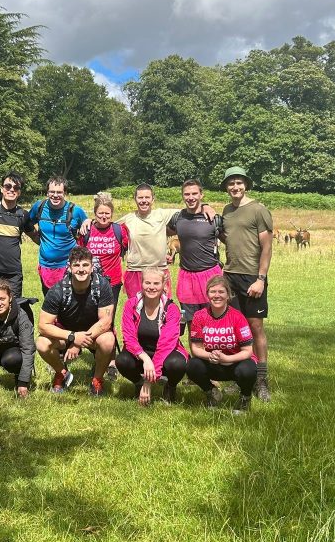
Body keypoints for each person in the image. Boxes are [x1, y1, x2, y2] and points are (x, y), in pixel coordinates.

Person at [219, 166, 273, 402]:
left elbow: (267, 247)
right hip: (231, 276)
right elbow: (228, 238)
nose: (235, 187)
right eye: (231, 184)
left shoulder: (259, 210)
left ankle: (261, 380)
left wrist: (260, 279)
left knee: (255, 328)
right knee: (235, 330)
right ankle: (241, 377)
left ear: (246, 185)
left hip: (252, 277)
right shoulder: (227, 211)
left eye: (239, 183)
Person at [36, 246, 117, 397]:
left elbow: (106, 322)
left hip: (94, 336)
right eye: (77, 265)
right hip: (66, 335)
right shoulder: (58, 290)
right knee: (41, 343)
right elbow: (43, 326)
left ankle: (97, 380)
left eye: (85, 265)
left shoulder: (102, 286)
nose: (81, 269)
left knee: (108, 340)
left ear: (92, 267)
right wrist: (72, 337)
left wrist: (78, 341)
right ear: (70, 267)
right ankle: (62, 374)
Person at [117, 267, 189, 406]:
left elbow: (166, 344)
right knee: (122, 360)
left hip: (165, 352)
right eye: (147, 283)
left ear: (163, 285)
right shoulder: (131, 304)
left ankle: (170, 386)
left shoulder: (171, 309)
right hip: (141, 352)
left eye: (156, 283)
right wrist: (144, 358)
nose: (151, 287)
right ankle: (138, 383)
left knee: (177, 364)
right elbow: (128, 337)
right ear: (142, 283)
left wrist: (149, 383)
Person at [78, 191, 130, 381]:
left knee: (108, 322)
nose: (104, 216)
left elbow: (125, 249)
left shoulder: (119, 230)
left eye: (107, 213)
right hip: (90, 283)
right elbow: (80, 253)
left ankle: (111, 362)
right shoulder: (87, 230)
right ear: (95, 213)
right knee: (92, 319)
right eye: (100, 213)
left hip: (112, 283)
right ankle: (98, 357)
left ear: (112, 213)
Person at [186, 275, 257, 413]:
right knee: (192, 365)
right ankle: (211, 392)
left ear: (228, 295)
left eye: (221, 292)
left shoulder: (237, 317)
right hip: (212, 362)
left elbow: (248, 351)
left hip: (235, 362)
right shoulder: (200, 316)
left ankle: (245, 398)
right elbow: (196, 348)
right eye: (213, 291)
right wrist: (209, 355)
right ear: (207, 294)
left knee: (248, 370)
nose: (217, 295)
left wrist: (227, 359)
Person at [168, 179, 223, 335]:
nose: (190, 197)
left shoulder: (214, 218)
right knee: (193, 324)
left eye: (194, 193)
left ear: (201, 194)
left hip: (210, 275)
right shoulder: (177, 218)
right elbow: (160, 232)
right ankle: (197, 358)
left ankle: (214, 357)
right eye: (187, 194)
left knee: (214, 321)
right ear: (182, 196)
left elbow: (232, 242)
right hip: (187, 276)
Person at [0, 171, 38, 303]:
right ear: (2, 189)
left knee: (12, 310)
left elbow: (35, 237)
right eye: (8, 186)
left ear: (19, 192)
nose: (11, 190)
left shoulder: (23, 215)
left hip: (13, 274)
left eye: (16, 188)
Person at [28, 176, 88, 295]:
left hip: (69, 266)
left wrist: (89, 220)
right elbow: (26, 224)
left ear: (65, 193)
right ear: (47, 192)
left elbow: (88, 229)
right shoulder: (39, 207)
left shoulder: (75, 211)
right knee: (50, 303)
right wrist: (36, 238)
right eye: (52, 192)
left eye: (59, 192)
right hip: (45, 266)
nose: (55, 195)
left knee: (69, 304)